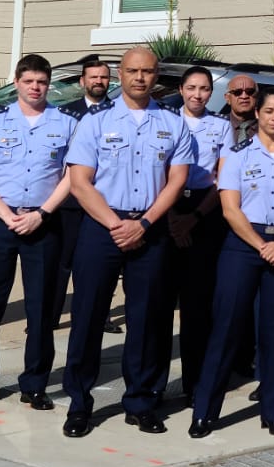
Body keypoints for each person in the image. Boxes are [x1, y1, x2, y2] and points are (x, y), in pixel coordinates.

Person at [61, 47, 195, 438]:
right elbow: (79, 182)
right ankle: (80, 403)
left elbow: (177, 180)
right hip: (102, 228)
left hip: (149, 229)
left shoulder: (173, 124)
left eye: (148, 71)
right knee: (86, 316)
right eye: (133, 71)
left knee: (149, 319)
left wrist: (146, 222)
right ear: (120, 74)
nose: (140, 77)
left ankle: (141, 401)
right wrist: (116, 224)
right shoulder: (95, 123)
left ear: (157, 76)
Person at [189, 91, 274, 437]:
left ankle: (273, 412)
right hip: (245, 243)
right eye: (269, 111)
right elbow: (229, 208)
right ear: (257, 114)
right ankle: (205, 412)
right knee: (227, 327)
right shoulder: (237, 156)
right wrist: (261, 244)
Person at [0, 55, 76, 413]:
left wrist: (42, 214)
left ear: (48, 84)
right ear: (17, 82)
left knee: (41, 308)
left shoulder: (67, 124)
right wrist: (7, 215)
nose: (35, 87)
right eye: (28, 81)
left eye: (41, 81)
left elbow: (72, 176)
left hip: (43, 223)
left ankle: (35, 384)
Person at [164, 67, 233, 404]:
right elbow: (159, 174)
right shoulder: (165, 121)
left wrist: (192, 218)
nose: (197, 95)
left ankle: (195, 382)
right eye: (191, 88)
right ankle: (153, 383)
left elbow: (223, 178)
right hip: (166, 210)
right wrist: (174, 217)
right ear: (181, 89)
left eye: (204, 89)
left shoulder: (221, 127)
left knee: (197, 307)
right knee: (161, 305)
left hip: (204, 213)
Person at [56, 56, 114, 297]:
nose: (98, 81)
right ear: (83, 81)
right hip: (69, 200)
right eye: (93, 77)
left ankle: (101, 316)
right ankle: (51, 316)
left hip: (104, 198)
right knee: (62, 261)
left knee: (99, 263)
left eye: (103, 77)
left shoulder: (118, 112)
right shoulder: (65, 113)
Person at [222, 71, 262, 146]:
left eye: (250, 92)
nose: (244, 96)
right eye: (237, 92)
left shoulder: (267, 128)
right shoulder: (217, 126)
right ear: (227, 98)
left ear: (257, 96)